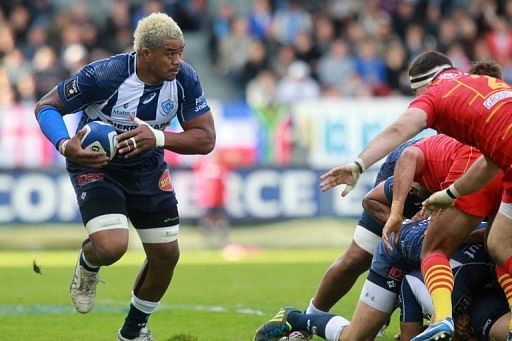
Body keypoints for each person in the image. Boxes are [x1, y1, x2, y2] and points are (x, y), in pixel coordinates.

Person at [34, 13, 215, 341]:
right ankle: (90, 260)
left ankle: (132, 333)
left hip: (148, 170)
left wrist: (158, 137)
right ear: (146, 54)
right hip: (96, 166)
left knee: (166, 256)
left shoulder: (185, 79)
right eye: (170, 53)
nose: (178, 61)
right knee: (113, 246)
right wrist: (65, 145)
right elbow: (46, 106)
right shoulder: (104, 74)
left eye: (181, 52)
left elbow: (206, 139)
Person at [319, 56, 511, 340]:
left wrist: (358, 164)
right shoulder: (487, 83)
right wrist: (450, 194)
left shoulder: (434, 96)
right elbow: (490, 162)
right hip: (500, 167)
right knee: (498, 244)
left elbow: (399, 130)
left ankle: (441, 318)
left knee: (434, 248)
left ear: (421, 88)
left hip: (475, 168)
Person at [254, 219, 497, 341]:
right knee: (355, 338)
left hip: (431, 257)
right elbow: (372, 198)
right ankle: (294, 318)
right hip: (399, 254)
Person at [305, 139, 424, 319]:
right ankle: (309, 317)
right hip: (411, 171)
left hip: (450, 185)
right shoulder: (413, 158)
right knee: (357, 257)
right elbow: (398, 130)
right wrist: (358, 165)